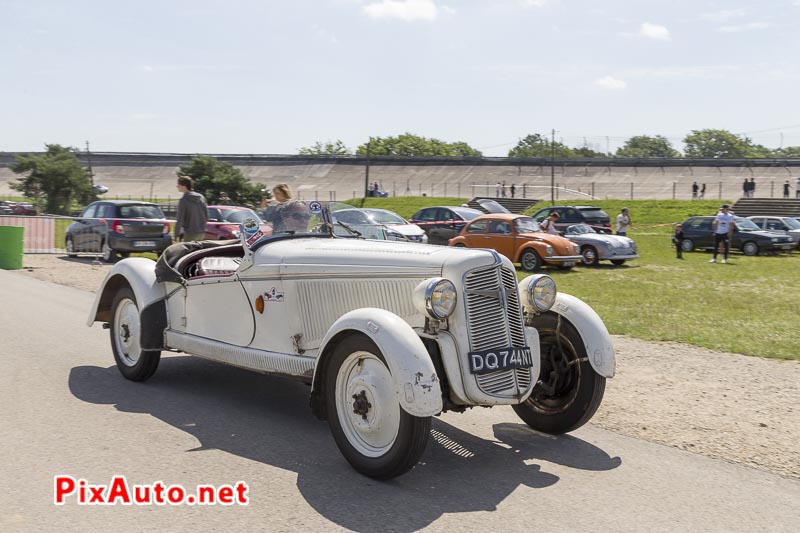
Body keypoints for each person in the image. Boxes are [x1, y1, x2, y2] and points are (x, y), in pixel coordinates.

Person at [174, 176, 208, 242]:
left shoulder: (184, 200)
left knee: (189, 252)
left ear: (183, 186)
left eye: (178, 185)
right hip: (201, 232)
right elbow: (206, 216)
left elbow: (180, 219)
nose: (177, 187)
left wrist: (176, 234)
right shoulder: (201, 197)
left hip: (190, 233)